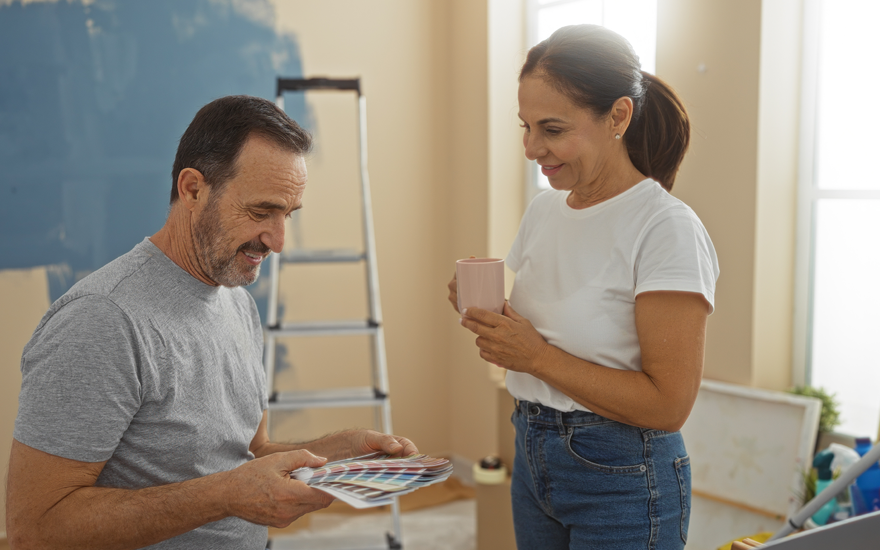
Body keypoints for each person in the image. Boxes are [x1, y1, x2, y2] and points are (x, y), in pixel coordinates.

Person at [6, 95, 417, 549]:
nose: (277, 241)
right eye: (261, 212)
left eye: (287, 215)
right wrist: (225, 497)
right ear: (193, 190)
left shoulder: (236, 302)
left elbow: (248, 454)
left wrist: (342, 452)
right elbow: (35, 529)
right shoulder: (102, 320)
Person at [448, 25, 719, 549]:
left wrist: (535, 357)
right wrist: (485, 311)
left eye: (551, 129)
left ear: (618, 116)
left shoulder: (665, 228)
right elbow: (548, 319)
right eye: (525, 126)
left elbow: (668, 405)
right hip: (532, 452)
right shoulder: (546, 207)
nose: (531, 148)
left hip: (622, 476)